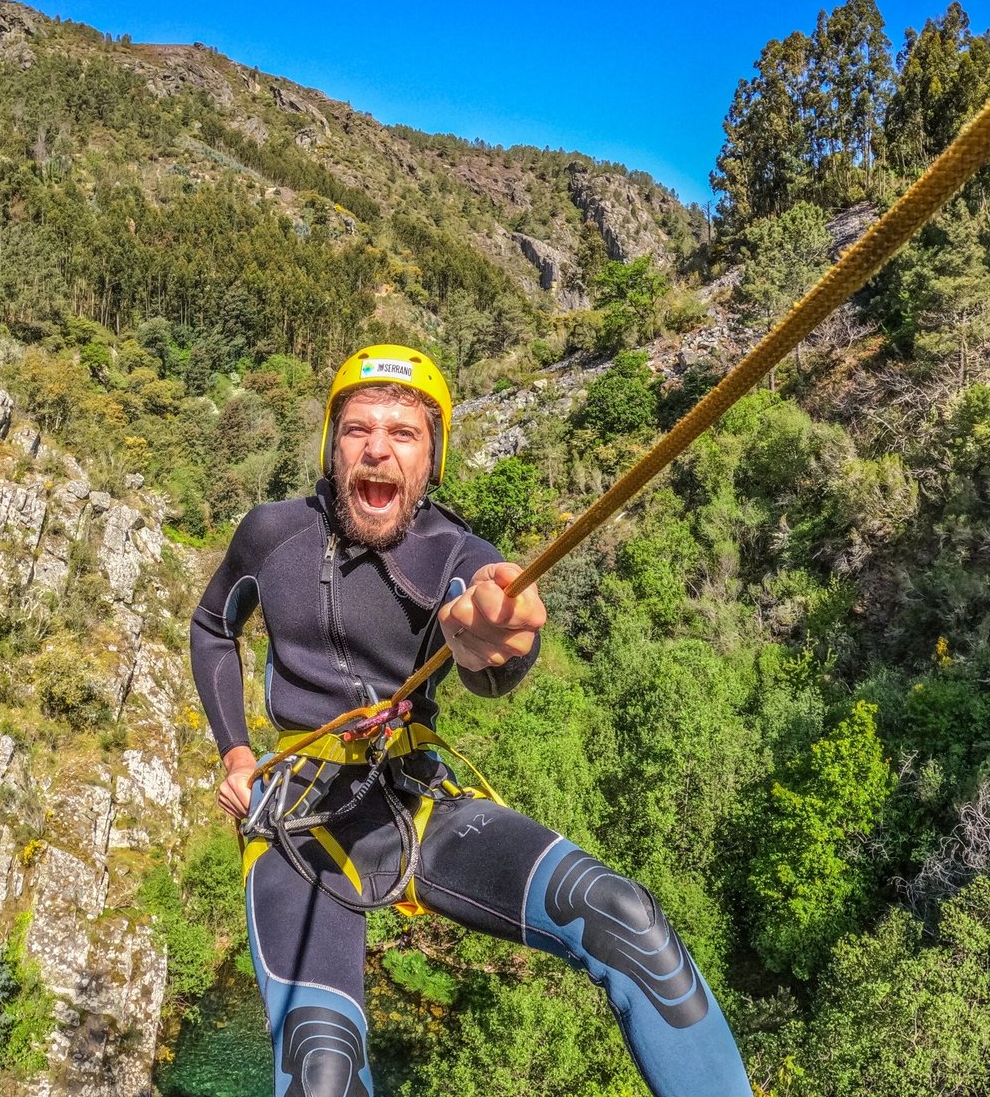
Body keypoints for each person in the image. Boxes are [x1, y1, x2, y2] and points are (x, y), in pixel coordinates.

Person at [190, 344, 750, 1097]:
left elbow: (489, 617)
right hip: (299, 819)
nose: (378, 449)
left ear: (432, 457)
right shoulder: (271, 535)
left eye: (404, 432)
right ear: (332, 446)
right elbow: (211, 625)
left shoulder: (455, 550)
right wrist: (234, 754)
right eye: (358, 430)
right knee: (321, 1066)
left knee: (623, 918)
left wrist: (501, 637)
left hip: (417, 802)